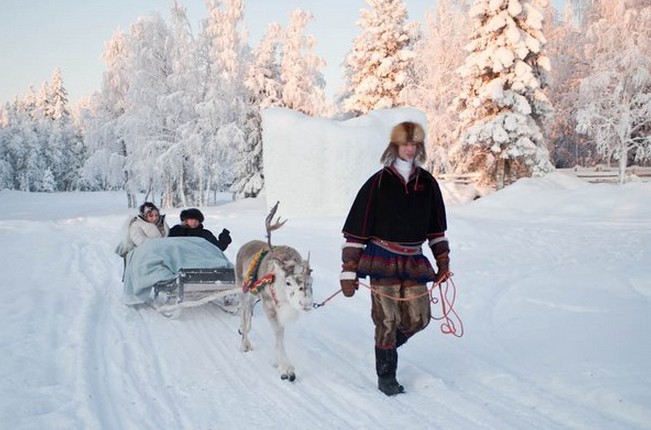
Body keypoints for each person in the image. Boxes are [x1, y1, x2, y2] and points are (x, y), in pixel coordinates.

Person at [339, 121, 451, 396]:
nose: (409, 149)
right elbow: (356, 231)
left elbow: (436, 228)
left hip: (414, 260)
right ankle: (386, 375)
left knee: (419, 318)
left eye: (414, 145)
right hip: (381, 258)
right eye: (404, 144)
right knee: (386, 320)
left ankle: (384, 346)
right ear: (394, 147)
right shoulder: (378, 182)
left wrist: (443, 261)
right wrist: (349, 271)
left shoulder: (428, 183)